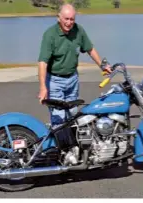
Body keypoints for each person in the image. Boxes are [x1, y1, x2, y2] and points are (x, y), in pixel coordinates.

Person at [37, 4, 111, 147]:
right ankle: (61, 150)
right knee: (58, 118)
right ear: (58, 18)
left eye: (72, 19)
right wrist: (43, 87)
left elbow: (90, 49)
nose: (69, 22)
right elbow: (42, 62)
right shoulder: (50, 35)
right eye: (66, 19)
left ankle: (73, 149)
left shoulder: (78, 30)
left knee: (73, 115)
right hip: (54, 81)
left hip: (72, 79)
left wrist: (102, 65)